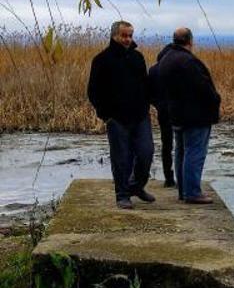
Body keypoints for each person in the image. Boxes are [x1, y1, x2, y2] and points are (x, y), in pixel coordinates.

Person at [87, 21, 155, 209]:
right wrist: (105, 115)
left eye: (130, 35)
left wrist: (148, 105)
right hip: (116, 119)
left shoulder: (138, 58)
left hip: (141, 116)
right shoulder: (101, 59)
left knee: (146, 153)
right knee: (121, 158)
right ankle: (122, 195)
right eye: (124, 35)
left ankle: (136, 186)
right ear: (114, 36)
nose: (127, 39)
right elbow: (93, 91)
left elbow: (146, 86)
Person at [158, 27, 221, 204]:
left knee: (181, 151)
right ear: (190, 41)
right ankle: (192, 192)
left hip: (176, 113)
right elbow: (203, 87)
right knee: (195, 152)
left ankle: (183, 191)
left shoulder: (166, 59)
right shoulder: (188, 61)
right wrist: (216, 99)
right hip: (195, 115)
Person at [147, 45, 176, 188]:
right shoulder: (177, 68)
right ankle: (181, 178)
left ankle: (168, 177)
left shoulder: (153, 70)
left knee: (167, 145)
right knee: (183, 145)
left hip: (163, 112)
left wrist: (158, 105)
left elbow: (149, 94)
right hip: (179, 111)